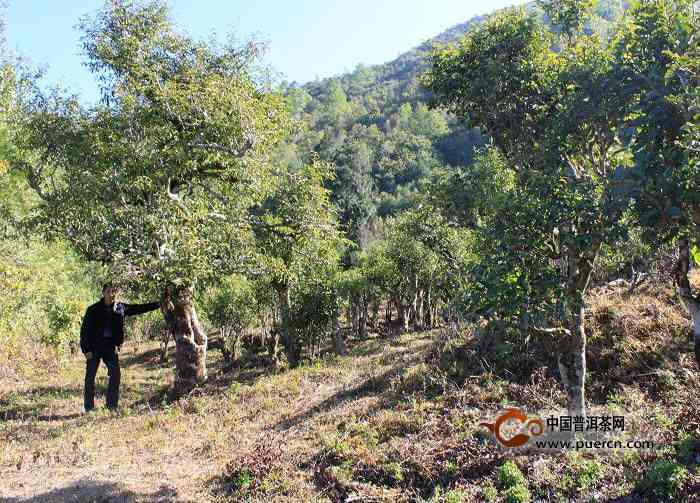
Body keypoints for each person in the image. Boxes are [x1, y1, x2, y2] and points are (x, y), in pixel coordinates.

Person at [80, 283, 160, 412]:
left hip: (110, 347)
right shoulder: (93, 309)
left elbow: (138, 308)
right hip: (94, 347)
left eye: (113, 292)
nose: (111, 294)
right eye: (109, 292)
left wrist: (158, 304)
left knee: (115, 374)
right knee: (90, 377)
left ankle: (111, 406)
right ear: (103, 293)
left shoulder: (120, 307)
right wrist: (86, 350)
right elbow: (84, 331)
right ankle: (89, 407)